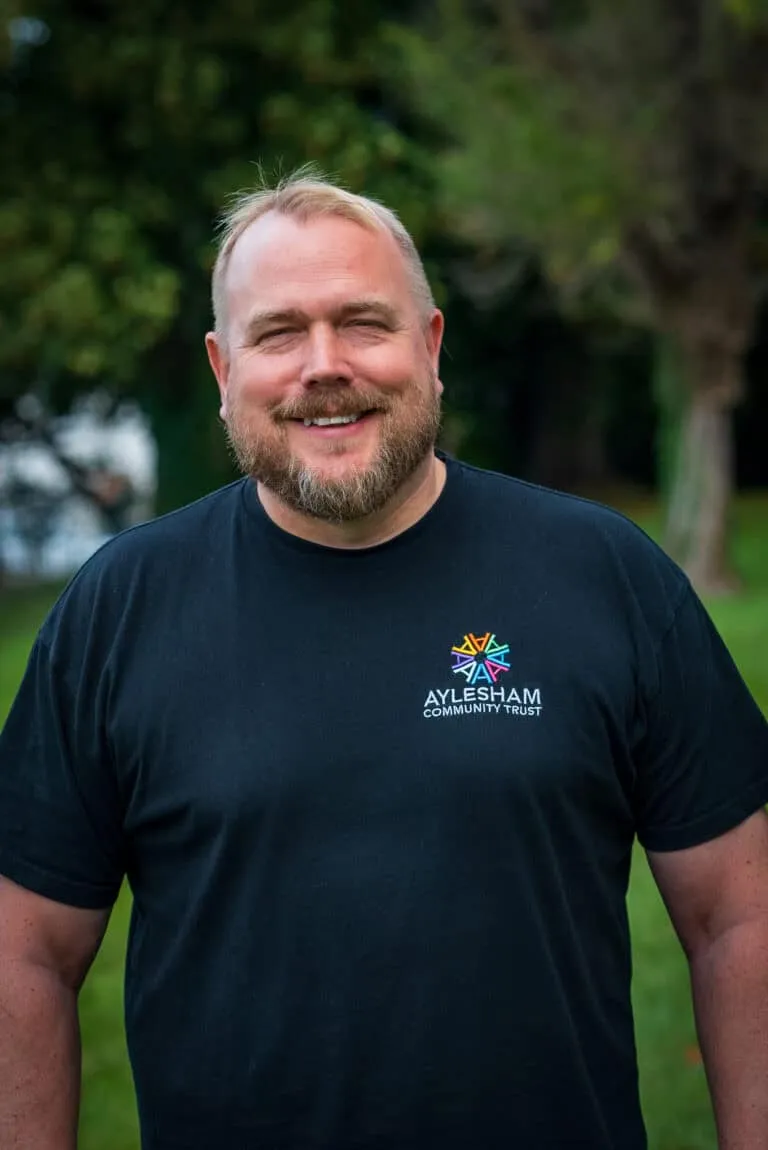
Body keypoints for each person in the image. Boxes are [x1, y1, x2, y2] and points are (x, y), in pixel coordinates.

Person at [1, 170, 767, 1150]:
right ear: (223, 368)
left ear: (431, 347)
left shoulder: (603, 575)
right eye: (279, 333)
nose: (324, 365)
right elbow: (24, 953)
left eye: (363, 323)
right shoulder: (120, 610)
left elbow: (739, 916)